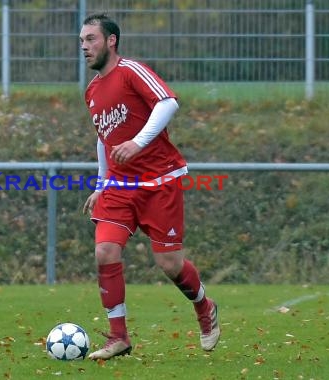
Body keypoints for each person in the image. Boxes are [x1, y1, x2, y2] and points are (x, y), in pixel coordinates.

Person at [79, 14, 221, 360]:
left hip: (159, 182)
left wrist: (139, 143)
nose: (84, 47)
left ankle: (205, 307)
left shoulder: (131, 71)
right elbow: (104, 139)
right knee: (104, 252)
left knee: (170, 264)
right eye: (81, 41)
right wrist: (101, 183)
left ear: (111, 41)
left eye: (91, 39)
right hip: (119, 187)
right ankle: (118, 337)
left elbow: (169, 102)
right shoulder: (92, 91)